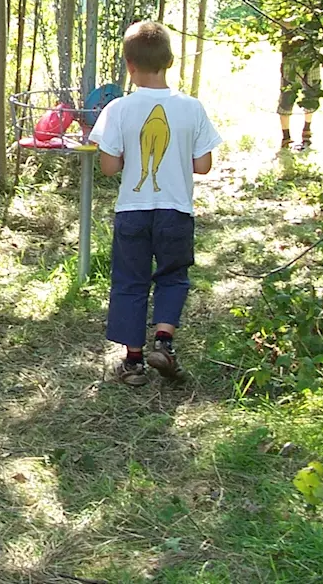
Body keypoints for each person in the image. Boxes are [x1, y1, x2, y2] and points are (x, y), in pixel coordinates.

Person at [89, 21, 221, 386]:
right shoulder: (192, 107)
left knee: (130, 280)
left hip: (133, 209)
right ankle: (163, 341)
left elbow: (109, 166)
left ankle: (132, 363)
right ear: (170, 60)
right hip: (176, 209)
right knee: (173, 276)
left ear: (129, 66)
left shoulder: (118, 108)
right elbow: (204, 166)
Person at [269, 0, 323, 151]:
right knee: (288, 92)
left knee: (311, 90)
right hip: (292, 52)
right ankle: (286, 136)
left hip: (311, 53)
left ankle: (307, 131)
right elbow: (277, 21)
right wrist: (296, 23)